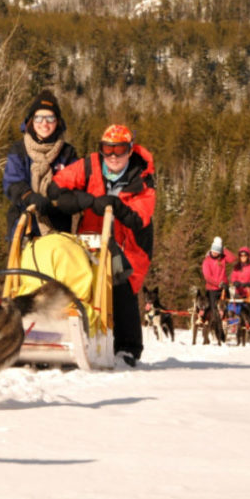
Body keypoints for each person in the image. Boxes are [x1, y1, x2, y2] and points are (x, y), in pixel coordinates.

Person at [48, 124, 155, 367]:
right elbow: (57, 185)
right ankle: (81, 336)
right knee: (84, 283)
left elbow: (140, 218)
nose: (114, 156)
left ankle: (128, 347)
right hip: (92, 237)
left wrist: (115, 206)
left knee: (121, 283)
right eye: (108, 149)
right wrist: (81, 200)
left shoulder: (143, 177)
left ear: (130, 150)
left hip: (128, 243)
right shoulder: (91, 165)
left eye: (120, 149)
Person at [2, 90, 79, 242]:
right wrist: (30, 197)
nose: (44, 123)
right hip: (24, 226)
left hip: (59, 227)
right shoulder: (19, 150)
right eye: (39, 118)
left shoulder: (67, 152)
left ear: (57, 121)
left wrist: (59, 197)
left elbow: (76, 182)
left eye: (50, 117)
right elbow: (12, 183)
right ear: (31, 120)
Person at [200, 236, 234, 316]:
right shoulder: (207, 261)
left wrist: (224, 249)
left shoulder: (222, 259)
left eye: (217, 251)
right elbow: (207, 277)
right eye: (214, 251)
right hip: (212, 289)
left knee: (228, 308)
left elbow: (232, 258)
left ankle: (229, 322)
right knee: (214, 310)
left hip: (224, 288)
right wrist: (218, 283)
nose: (215, 253)